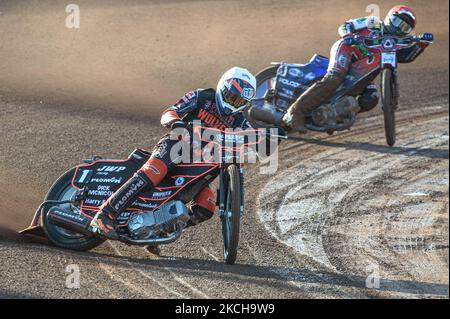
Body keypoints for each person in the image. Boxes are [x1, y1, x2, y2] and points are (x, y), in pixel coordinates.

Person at [89, 67, 257, 240]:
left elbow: (255, 140)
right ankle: (104, 215)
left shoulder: (240, 121)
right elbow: (169, 112)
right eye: (231, 97)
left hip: (200, 167)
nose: (233, 104)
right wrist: (176, 123)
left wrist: (267, 138)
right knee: (153, 171)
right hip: (176, 146)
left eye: (239, 102)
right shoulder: (203, 97)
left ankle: (157, 230)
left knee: (205, 207)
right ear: (222, 88)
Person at [283, 5, 434, 132]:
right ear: (389, 16)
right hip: (347, 50)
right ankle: (294, 112)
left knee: (371, 99)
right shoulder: (374, 22)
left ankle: (333, 115)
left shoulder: (400, 43)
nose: (397, 28)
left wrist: (422, 44)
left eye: (404, 27)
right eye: (396, 21)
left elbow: (406, 57)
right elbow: (346, 25)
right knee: (334, 77)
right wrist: (347, 35)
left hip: (363, 73)